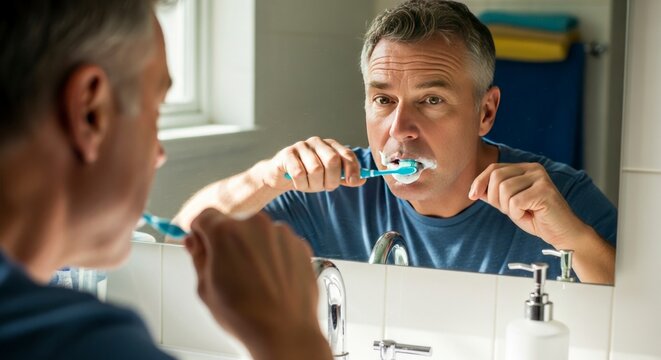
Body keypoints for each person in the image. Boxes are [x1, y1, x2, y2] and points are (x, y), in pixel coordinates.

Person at [176, 0, 617, 284]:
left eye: (431, 99)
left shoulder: (559, 197)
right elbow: (180, 239)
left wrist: (575, 238)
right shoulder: (333, 190)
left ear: (486, 112)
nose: (400, 127)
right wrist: (266, 177)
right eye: (383, 99)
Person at [0, 1, 332, 359]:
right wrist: (290, 335)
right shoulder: (84, 344)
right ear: (89, 112)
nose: (159, 154)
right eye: (155, 110)